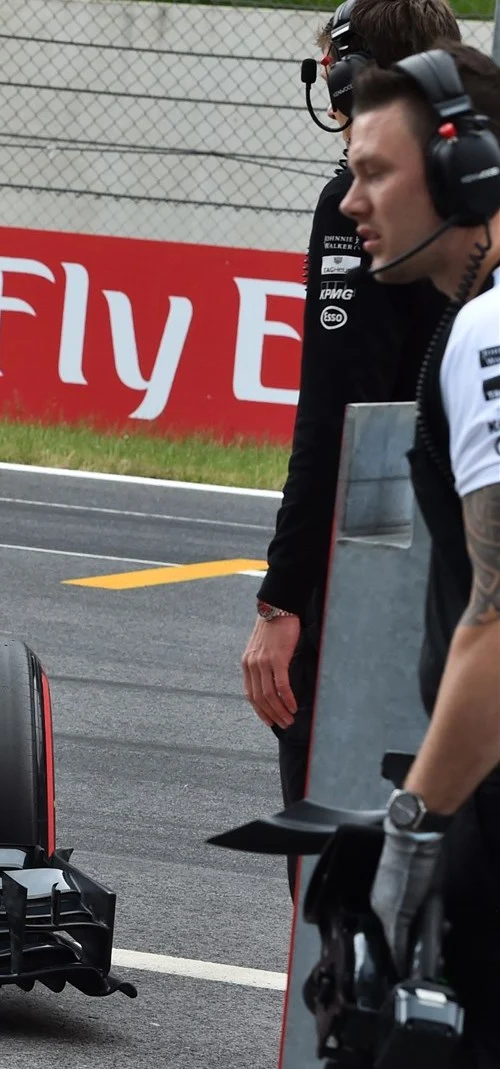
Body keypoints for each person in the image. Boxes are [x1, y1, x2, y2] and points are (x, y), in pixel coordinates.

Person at [241, 0, 459, 861]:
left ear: (354, 81)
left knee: (335, 844)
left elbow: (337, 417)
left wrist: (282, 598)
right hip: (463, 569)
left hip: (376, 572)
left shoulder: (360, 204)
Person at [339, 44, 500, 1064]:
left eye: (373, 172)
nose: (351, 201)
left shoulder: (489, 330)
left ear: (466, 172)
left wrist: (414, 826)